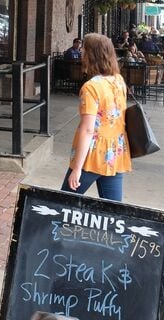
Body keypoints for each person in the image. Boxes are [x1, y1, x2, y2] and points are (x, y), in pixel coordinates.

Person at [64, 34, 132, 201]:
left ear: (91, 55)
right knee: (113, 212)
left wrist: (77, 168)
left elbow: (88, 129)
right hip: (115, 153)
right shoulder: (118, 80)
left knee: (62, 204)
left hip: (92, 154)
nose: (81, 53)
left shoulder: (91, 88)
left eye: (84, 50)